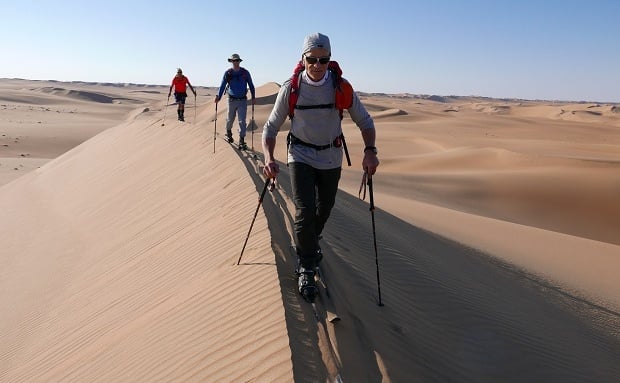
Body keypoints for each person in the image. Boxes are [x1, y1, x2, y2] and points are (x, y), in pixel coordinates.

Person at [261, 33, 379, 302]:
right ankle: (306, 265)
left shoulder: (341, 87)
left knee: (323, 210)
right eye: (311, 59)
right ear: (302, 59)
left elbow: (366, 122)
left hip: (330, 157)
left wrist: (370, 151)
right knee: (304, 211)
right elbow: (270, 127)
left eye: (323, 59)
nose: (317, 65)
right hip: (300, 154)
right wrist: (268, 157)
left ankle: (310, 243)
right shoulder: (291, 88)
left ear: (330, 59)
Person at [215, 54, 256, 149]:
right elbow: (222, 86)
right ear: (231, 62)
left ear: (239, 61)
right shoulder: (228, 73)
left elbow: (251, 85)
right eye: (234, 60)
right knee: (230, 119)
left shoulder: (245, 73)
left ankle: (242, 140)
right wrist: (218, 96)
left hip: (242, 100)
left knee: (242, 121)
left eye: (237, 60)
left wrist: (254, 97)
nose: (236, 62)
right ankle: (228, 132)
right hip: (231, 99)